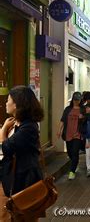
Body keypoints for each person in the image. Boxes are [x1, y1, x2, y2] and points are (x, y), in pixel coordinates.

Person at [1, 86, 44, 221]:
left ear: (18, 104)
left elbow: (7, 148)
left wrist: (2, 132)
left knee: (23, 217)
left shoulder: (29, 126)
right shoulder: (17, 124)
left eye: (8, 100)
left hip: (23, 182)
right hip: (12, 179)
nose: (6, 103)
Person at [57, 92, 85, 180]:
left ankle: (72, 171)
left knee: (75, 152)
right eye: (75, 100)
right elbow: (62, 120)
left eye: (78, 100)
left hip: (77, 134)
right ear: (72, 100)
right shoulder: (67, 109)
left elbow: (87, 120)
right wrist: (59, 130)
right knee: (70, 152)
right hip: (68, 133)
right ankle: (74, 164)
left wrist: (83, 118)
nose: (77, 102)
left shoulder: (83, 109)